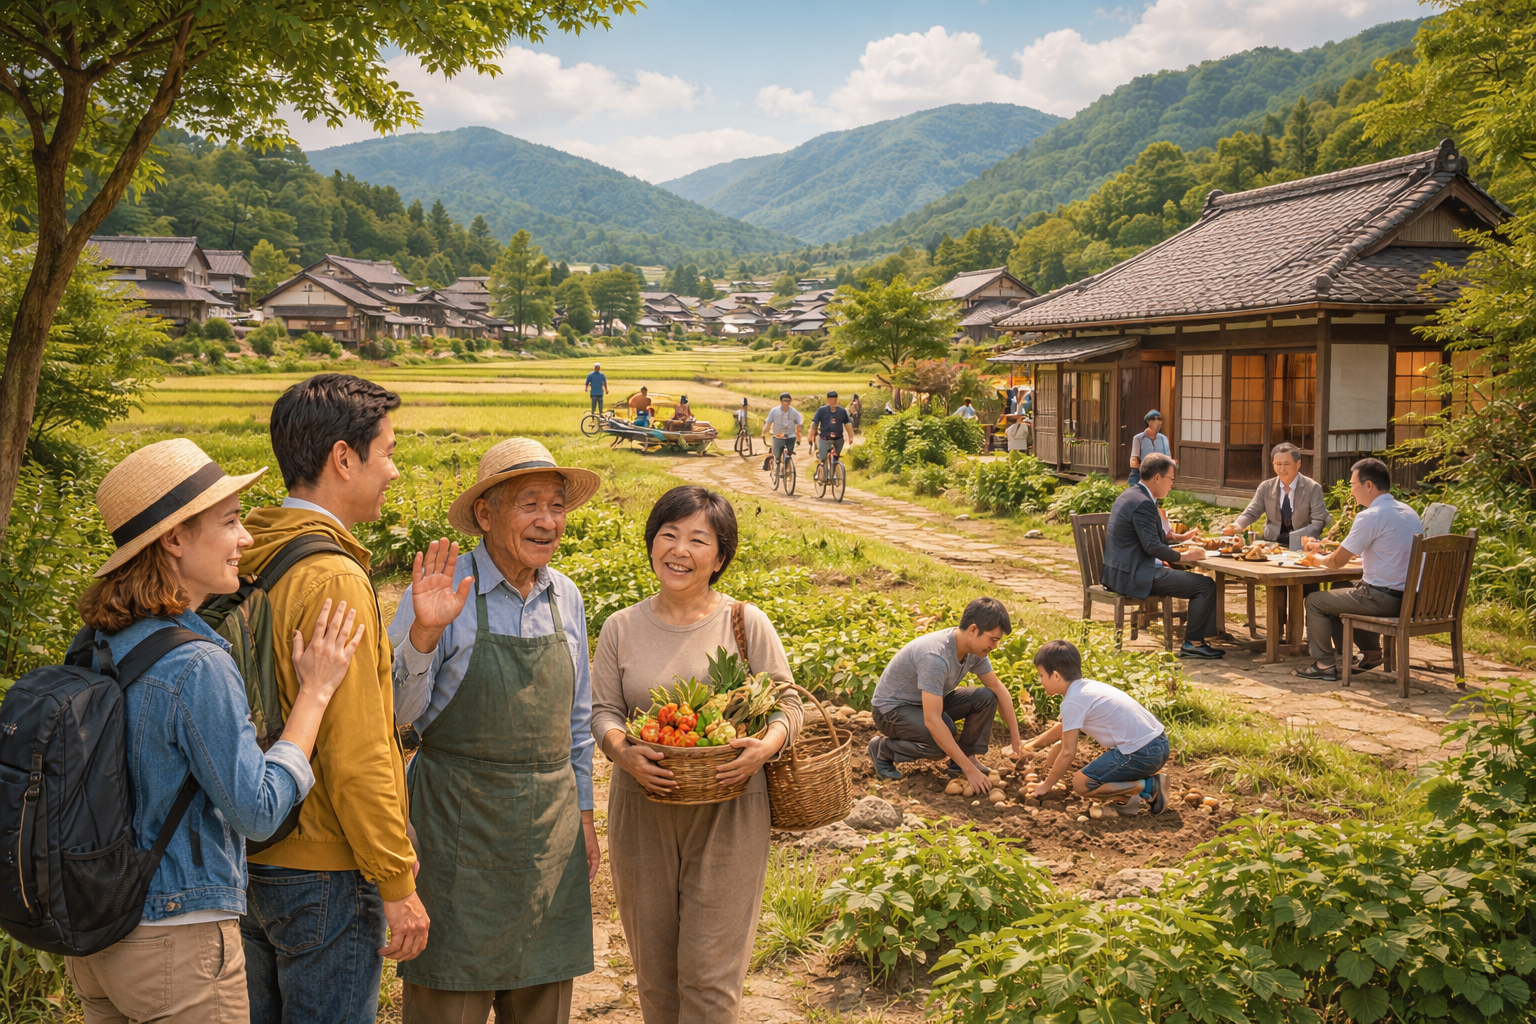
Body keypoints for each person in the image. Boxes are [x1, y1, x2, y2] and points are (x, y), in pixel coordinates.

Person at [66, 439, 362, 1024]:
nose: (246, 539)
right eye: (228, 523)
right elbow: (257, 811)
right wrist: (316, 695)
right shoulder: (196, 663)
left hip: (98, 935)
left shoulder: (98, 642)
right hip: (178, 943)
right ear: (173, 540)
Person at [388, 438, 602, 1023]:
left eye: (557, 506)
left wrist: (583, 817)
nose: (548, 520)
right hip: (457, 829)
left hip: (549, 831)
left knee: (542, 998)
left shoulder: (567, 597)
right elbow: (394, 716)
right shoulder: (439, 590)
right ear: (486, 514)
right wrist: (424, 637)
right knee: (447, 999)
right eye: (529, 504)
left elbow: (577, 724)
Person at [240, 375, 428, 1024]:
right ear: (343, 459)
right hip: (324, 870)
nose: (395, 472)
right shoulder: (334, 576)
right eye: (387, 452)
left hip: (250, 854)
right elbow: (357, 753)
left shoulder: (249, 555)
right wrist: (396, 881)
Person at [592, 486, 803, 1022]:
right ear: (651, 543)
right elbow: (602, 714)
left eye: (697, 539)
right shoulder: (620, 626)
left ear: (721, 556)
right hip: (643, 807)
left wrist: (764, 748)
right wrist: (623, 753)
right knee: (656, 977)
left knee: (710, 981)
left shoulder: (745, 622)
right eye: (668, 534)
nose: (679, 550)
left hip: (731, 809)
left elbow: (788, 706)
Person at [866, 598, 1025, 793]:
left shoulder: (974, 650)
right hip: (891, 711)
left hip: (923, 704)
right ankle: (883, 749)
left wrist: (1016, 741)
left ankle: (964, 759)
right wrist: (970, 772)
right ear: (974, 630)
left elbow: (998, 688)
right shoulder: (936, 657)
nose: (995, 646)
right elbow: (932, 720)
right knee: (939, 742)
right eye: (993, 639)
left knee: (986, 696)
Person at [1295, 458, 1424, 681]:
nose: (1351, 492)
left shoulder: (1370, 516)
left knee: (1315, 601)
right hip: (1413, 598)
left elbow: (1336, 562)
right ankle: (1371, 654)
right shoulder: (1408, 511)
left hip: (1384, 599)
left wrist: (1316, 559)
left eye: (1352, 485)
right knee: (1340, 586)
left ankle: (1323, 663)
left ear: (1368, 485)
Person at [1020, 640, 1169, 816]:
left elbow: (1068, 752)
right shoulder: (1084, 689)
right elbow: (1061, 729)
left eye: (1041, 675)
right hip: (1158, 745)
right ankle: (1127, 794)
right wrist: (1029, 747)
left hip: (1142, 753)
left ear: (1056, 676)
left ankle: (1149, 787)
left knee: (1082, 784)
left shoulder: (1073, 702)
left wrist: (1046, 785)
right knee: (1067, 751)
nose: (1040, 681)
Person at [1103, 453, 1224, 659]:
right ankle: (1194, 643)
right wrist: (1185, 557)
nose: (1171, 485)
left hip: (1122, 570)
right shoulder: (1143, 503)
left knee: (1200, 582)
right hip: (1134, 574)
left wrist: (1183, 543)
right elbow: (1152, 547)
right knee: (1204, 585)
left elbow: (1152, 540)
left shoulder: (1131, 495)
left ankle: (1201, 639)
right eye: (1171, 479)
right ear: (1157, 478)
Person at [1224, 442, 1331, 546]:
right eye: (1278, 464)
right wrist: (1236, 525)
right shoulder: (1265, 487)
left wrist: (1296, 537)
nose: (1282, 468)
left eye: (1286, 464)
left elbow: (1318, 522)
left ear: (1298, 464)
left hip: (1302, 544)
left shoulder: (1312, 488)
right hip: (1271, 543)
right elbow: (1251, 513)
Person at [1126, 411, 1171, 489]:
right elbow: (1134, 460)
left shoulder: (1164, 438)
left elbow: (1168, 457)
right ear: (1148, 422)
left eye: (1159, 419)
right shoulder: (1138, 438)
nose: (1157, 421)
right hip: (1141, 471)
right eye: (1153, 419)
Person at [762, 392, 803, 472]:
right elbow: (768, 423)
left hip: (790, 436)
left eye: (788, 401)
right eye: (784, 401)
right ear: (781, 401)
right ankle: (775, 463)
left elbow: (799, 425)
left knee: (789, 452)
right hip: (777, 435)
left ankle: (786, 466)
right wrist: (763, 432)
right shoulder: (774, 411)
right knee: (775, 452)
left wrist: (799, 437)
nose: (786, 403)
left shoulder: (794, 412)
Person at [811, 390, 852, 467]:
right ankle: (821, 471)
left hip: (838, 438)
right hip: (825, 438)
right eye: (830, 400)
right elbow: (814, 423)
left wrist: (851, 436)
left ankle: (834, 472)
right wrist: (811, 435)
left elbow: (847, 424)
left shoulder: (842, 411)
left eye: (834, 400)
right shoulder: (821, 410)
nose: (832, 402)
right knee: (823, 458)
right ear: (827, 400)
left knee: (836, 458)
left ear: (837, 400)